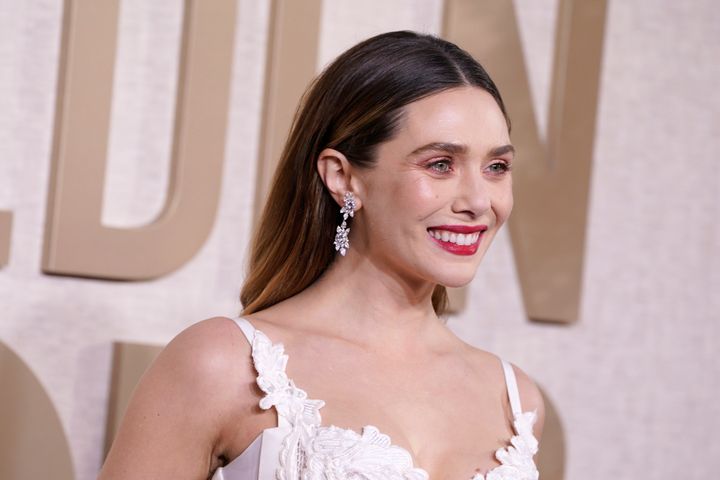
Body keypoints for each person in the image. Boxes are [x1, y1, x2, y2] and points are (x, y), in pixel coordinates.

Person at [99, 30, 545, 480]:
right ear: (343, 177)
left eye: (496, 168)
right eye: (440, 164)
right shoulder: (226, 365)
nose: (478, 200)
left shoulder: (515, 400)